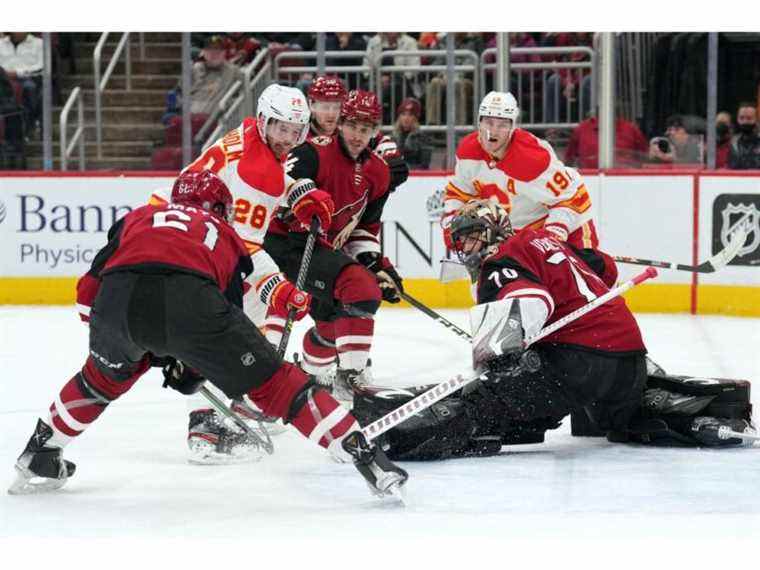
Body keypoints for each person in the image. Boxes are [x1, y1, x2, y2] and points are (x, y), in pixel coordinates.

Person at [8, 170, 408, 497]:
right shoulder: (226, 233)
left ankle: (39, 451)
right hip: (192, 302)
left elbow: (87, 294)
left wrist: (124, 345)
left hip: (117, 304)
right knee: (281, 384)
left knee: (96, 381)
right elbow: (221, 317)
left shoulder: (136, 217)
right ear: (218, 208)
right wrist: (190, 362)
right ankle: (366, 456)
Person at [352, 200, 756, 460]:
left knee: (487, 399)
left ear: (494, 231)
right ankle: (708, 415)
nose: (467, 250)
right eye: (460, 243)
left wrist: (496, 356)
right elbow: (605, 269)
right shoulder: (547, 244)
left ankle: (400, 435)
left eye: (472, 238)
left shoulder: (503, 259)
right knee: (620, 413)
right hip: (628, 359)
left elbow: (532, 302)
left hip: (579, 363)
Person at [149, 83, 332, 462]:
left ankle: (238, 397)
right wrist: (275, 286)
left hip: (171, 234)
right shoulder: (256, 167)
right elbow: (241, 246)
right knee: (218, 326)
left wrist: (300, 194)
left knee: (238, 321)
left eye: (296, 132)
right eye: (282, 129)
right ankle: (205, 427)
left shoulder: (250, 138)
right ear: (265, 121)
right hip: (188, 248)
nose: (289, 139)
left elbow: (265, 189)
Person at [263, 90, 401, 400]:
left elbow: (365, 228)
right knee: (361, 289)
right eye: (352, 126)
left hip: (322, 251)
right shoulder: (312, 151)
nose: (357, 135)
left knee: (330, 326)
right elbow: (281, 182)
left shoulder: (378, 172)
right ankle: (351, 380)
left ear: (375, 131)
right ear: (340, 123)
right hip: (287, 243)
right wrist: (299, 200)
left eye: (366, 129)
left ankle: (312, 380)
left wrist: (373, 264)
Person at [441, 91, 599, 251]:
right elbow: (460, 193)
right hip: (517, 235)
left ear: (512, 128)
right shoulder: (468, 152)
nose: (493, 132)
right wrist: (451, 222)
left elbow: (568, 199)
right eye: (488, 122)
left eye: (502, 125)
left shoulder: (533, 158)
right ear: (479, 123)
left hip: (571, 224)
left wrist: (552, 235)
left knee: (585, 274)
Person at [307, 75, 409, 193]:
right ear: (312, 105)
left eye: (337, 107)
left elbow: (397, 167)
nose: (331, 114)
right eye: (325, 107)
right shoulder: (298, 134)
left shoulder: (354, 133)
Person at [564, 113, 649, 168]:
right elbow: (569, 160)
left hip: (625, 181)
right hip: (589, 181)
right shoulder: (582, 129)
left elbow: (644, 157)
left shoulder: (631, 130)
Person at [0, 32, 43, 132]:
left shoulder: (39, 43)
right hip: (3, 78)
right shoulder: (1, 43)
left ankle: (31, 122)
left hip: (28, 78)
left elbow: (40, 66)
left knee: (29, 88)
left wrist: (18, 73)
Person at [392, 97, 431, 170]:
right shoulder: (392, 137)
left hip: (416, 177)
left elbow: (424, 165)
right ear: (399, 116)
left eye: (410, 115)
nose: (406, 118)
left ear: (416, 118)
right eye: (403, 114)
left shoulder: (423, 138)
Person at [728, 102, 760, 170]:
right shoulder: (733, 143)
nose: (745, 121)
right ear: (737, 119)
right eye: (741, 118)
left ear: (756, 120)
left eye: (749, 118)